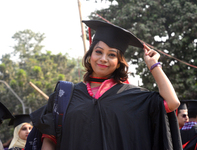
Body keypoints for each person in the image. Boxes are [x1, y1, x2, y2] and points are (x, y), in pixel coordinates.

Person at [30, 20, 182, 150]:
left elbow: (172, 102)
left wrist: (154, 65)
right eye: (98, 52)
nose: (103, 59)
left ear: (118, 62)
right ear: (90, 56)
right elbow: (49, 139)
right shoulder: (65, 95)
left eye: (111, 55)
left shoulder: (134, 97)